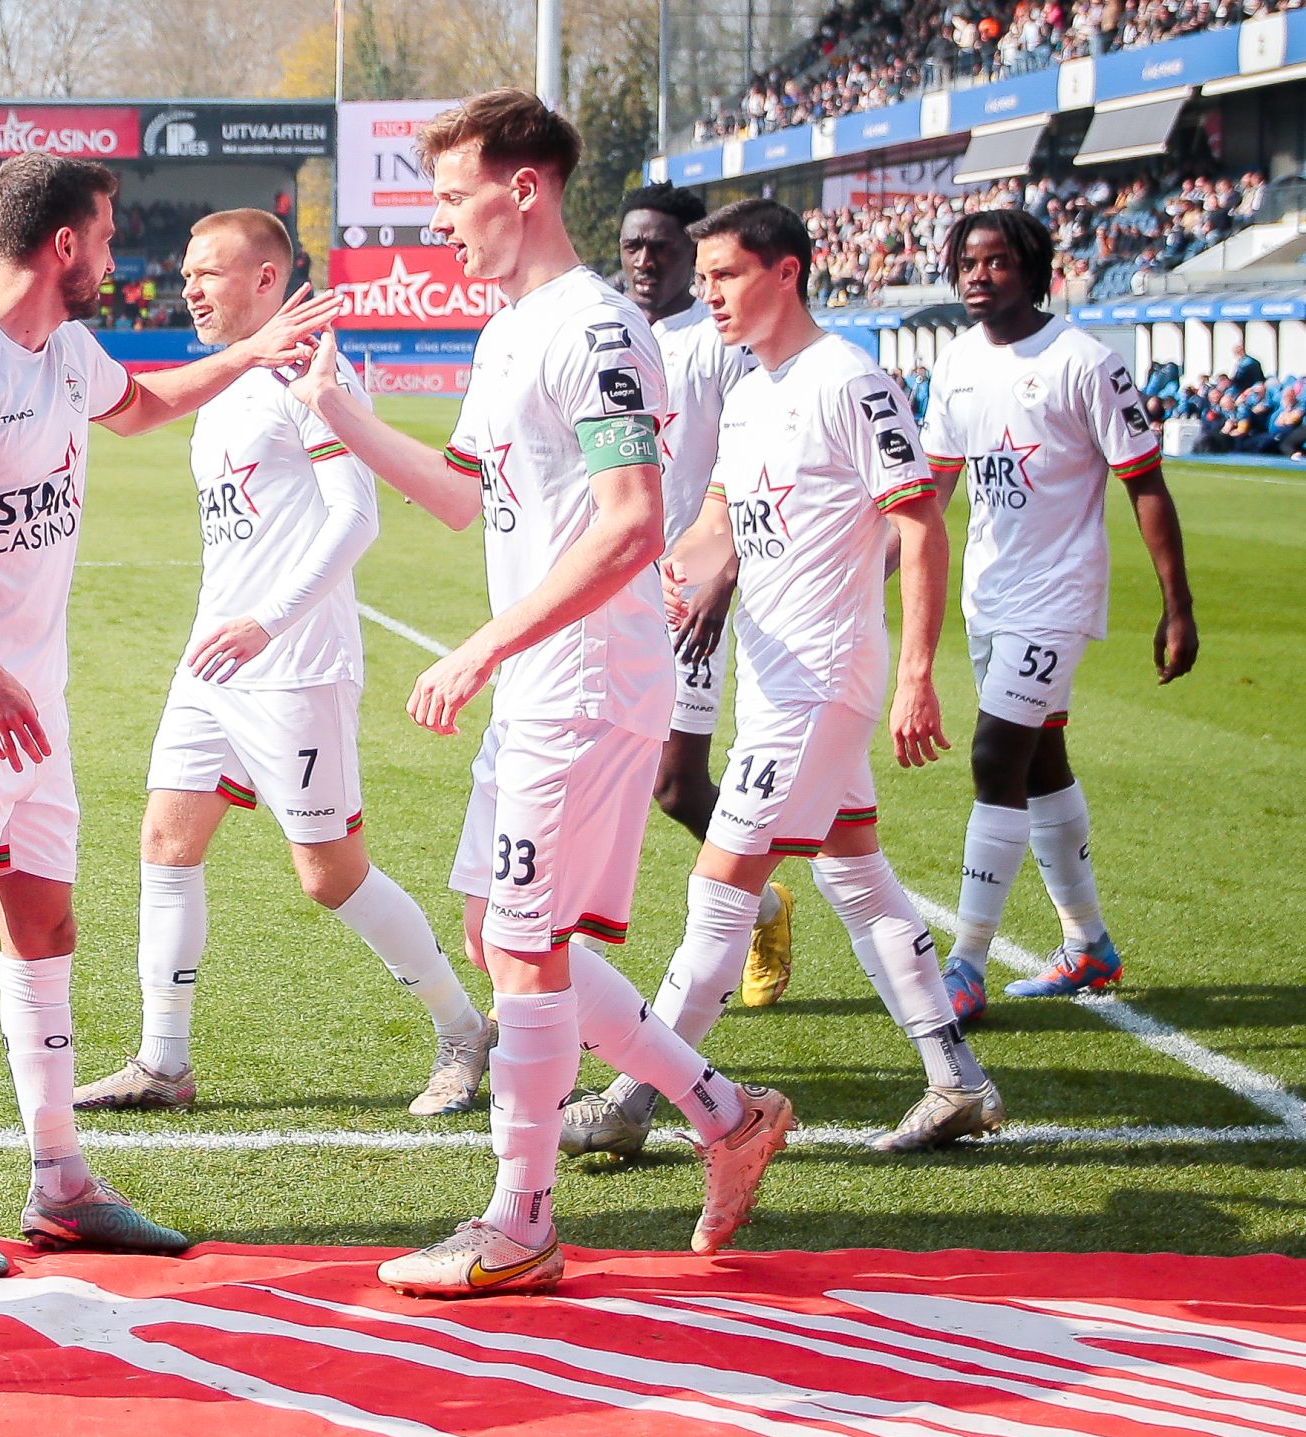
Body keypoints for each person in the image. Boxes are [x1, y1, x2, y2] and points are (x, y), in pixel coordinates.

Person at [289, 90, 791, 1298]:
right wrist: (336, 410)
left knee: (520, 946)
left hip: (585, 680)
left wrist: (476, 647)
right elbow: (467, 496)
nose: (442, 226)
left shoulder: (600, 329)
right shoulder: (509, 327)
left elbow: (628, 528)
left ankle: (520, 1222)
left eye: (453, 199)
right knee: (499, 933)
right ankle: (725, 1115)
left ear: (524, 190)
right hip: (540, 680)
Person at [0, 156, 336, 1281]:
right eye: (110, 238)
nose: (120, 260)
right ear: (63, 247)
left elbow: (145, 407)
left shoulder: (66, 352)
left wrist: (250, 355)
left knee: (48, 927)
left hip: (38, 702)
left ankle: (60, 1182)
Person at [566, 198, 1000, 1160]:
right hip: (771, 679)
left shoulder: (851, 381)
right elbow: (718, 522)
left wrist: (918, 672)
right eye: (706, 275)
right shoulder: (754, 389)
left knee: (720, 887)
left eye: (724, 274)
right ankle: (956, 1079)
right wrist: (642, 586)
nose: (708, 291)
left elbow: (919, 521)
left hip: (820, 680)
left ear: (786, 272)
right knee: (856, 875)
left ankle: (638, 1095)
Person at [74, 208, 490, 1120]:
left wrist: (266, 622)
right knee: (165, 842)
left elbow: (357, 517)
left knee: (329, 876)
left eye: (209, 273)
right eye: (186, 271)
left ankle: (464, 1031)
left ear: (268, 281)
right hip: (213, 661)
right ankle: (163, 1060)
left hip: (295, 664)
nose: (189, 287)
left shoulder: (313, 373)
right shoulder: (223, 382)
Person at [926, 210, 1196, 1018]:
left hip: (1057, 596)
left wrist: (1176, 607)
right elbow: (935, 486)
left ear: (1035, 268)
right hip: (989, 597)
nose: (980, 275)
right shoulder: (957, 363)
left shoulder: (1085, 362)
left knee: (992, 758)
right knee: (1041, 763)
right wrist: (877, 566)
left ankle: (964, 967)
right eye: (968, 263)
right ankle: (1089, 946)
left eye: (998, 262)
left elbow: (1144, 481)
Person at [616, 184, 793, 1007]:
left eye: (663, 247)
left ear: (695, 257)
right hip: (606, 583)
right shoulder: (604, 329)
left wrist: (727, 573)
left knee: (676, 786)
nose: (646, 260)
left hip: (691, 589)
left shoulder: (721, 345)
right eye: (634, 246)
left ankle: (758, 906)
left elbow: (748, 472)